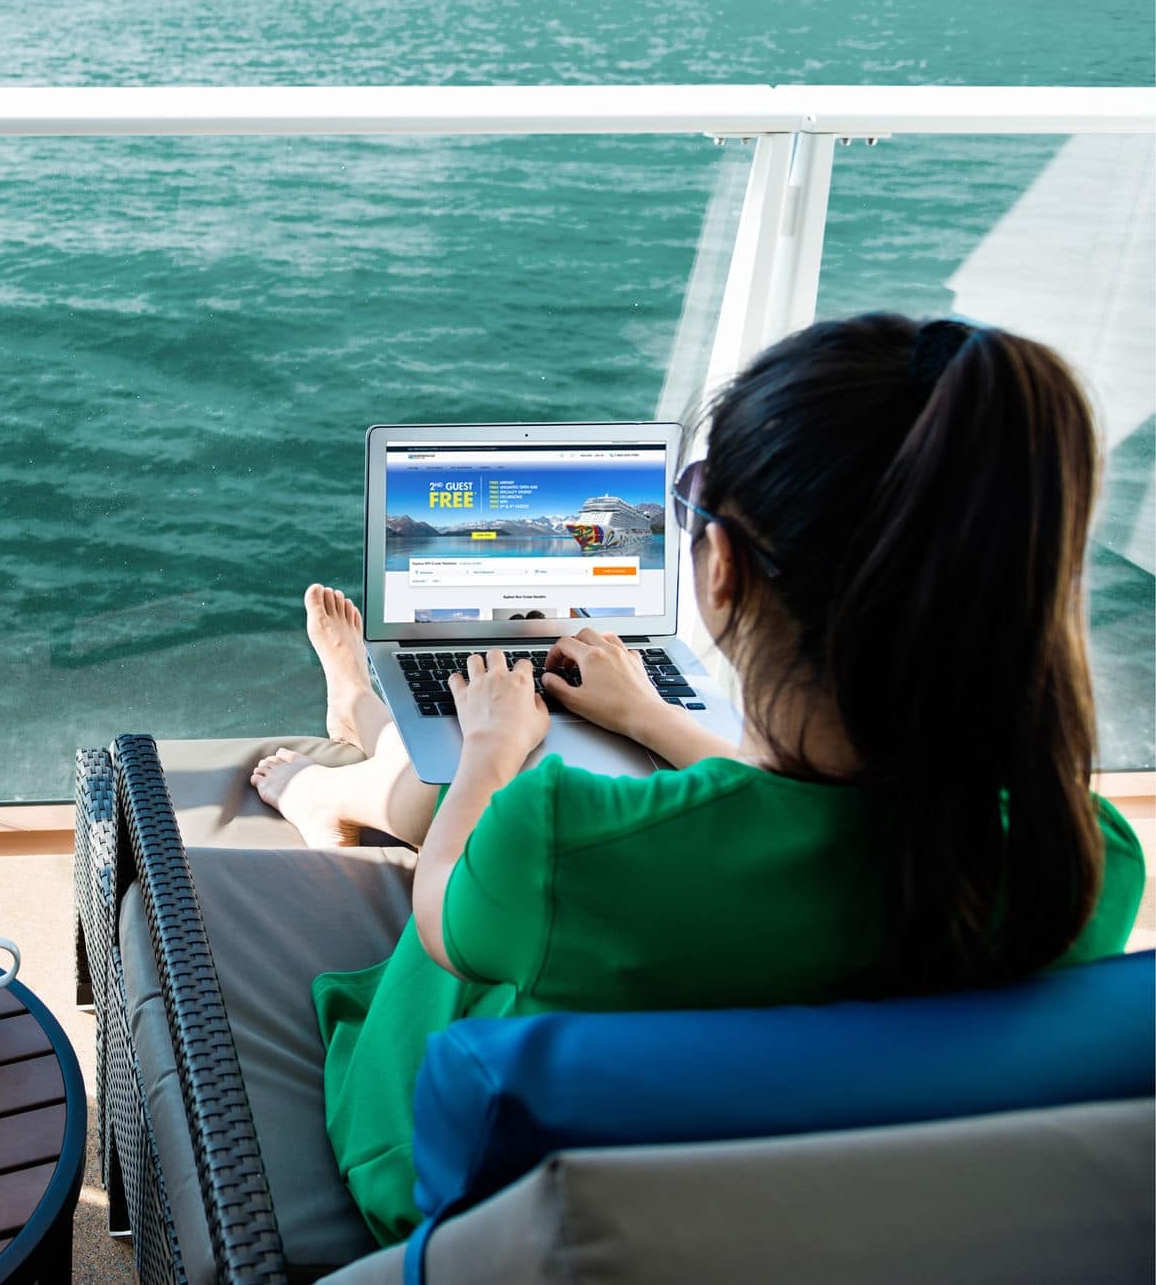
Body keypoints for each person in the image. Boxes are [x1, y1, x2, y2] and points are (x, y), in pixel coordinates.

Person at [246, 313, 1147, 1244]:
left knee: (462, 799)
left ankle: (339, 759)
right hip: (859, 1223)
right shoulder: (1079, 857)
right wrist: (648, 716)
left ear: (720, 569)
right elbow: (815, 820)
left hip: (498, 1195)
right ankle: (358, 725)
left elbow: (438, 912)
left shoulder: (560, 838)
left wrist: (487, 753)